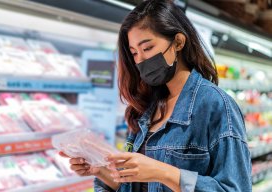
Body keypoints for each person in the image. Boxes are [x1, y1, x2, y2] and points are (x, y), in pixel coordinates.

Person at [60, 0, 252, 191]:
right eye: (134, 53)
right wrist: (100, 170)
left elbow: (235, 188)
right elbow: (136, 186)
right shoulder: (146, 107)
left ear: (178, 42)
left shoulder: (216, 105)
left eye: (147, 48)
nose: (141, 60)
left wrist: (163, 172)